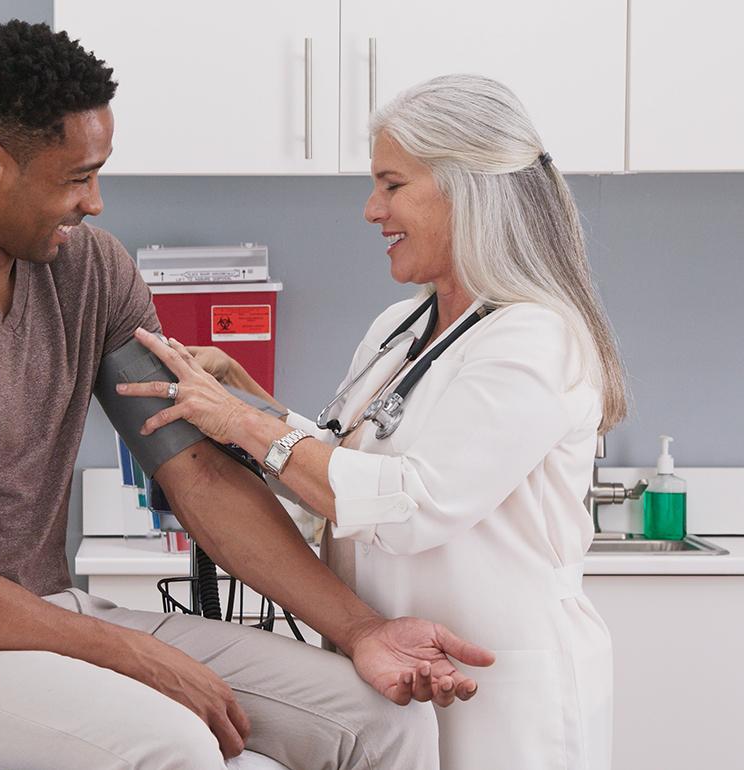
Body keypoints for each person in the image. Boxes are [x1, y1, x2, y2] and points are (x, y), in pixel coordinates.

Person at [0, 22, 495, 770]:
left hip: (46, 615)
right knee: (173, 745)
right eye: (74, 178)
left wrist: (360, 632)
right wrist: (129, 654)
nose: (95, 202)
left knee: (382, 722)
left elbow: (194, 471)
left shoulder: (90, 272)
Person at [122, 74, 621, 770]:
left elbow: (413, 502)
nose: (369, 210)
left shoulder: (536, 338)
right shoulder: (402, 327)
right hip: (398, 672)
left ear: (465, 190)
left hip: (504, 687)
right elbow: (341, 467)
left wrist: (245, 423)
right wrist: (250, 399)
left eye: (392, 185)